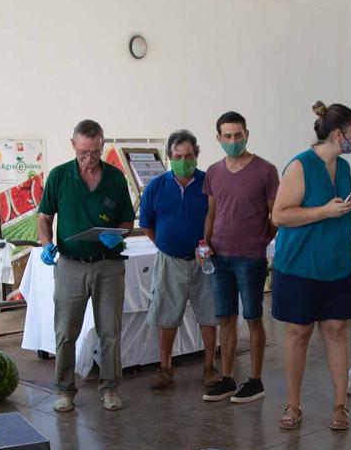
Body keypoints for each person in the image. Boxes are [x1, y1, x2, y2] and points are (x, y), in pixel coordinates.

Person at [273, 101, 351, 431]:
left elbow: (344, 218)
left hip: (336, 265)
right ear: (338, 133)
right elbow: (280, 215)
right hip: (299, 265)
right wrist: (323, 211)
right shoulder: (300, 166)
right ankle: (293, 405)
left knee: (337, 332)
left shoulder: (345, 168)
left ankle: (341, 405)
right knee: (298, 334)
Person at [35, 119, 133, 414]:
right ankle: (65, 390)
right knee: (66, 331)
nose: (89, 159)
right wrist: (46, 244)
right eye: (82, 153)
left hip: (108, 266)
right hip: (70, 265)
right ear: (73, 146)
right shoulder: (59, 176)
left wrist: (118, 235)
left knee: (110, 331)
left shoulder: (115, 179)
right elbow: (43, 216)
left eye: (94, 152)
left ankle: (110, 387)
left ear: (102, 145)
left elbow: (126, 220)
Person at [200, 111, 278, 404]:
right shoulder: (214, 172)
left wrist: (262, 240)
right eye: (227, 136)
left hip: (251, 257)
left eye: (238, 135)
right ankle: (227, 377)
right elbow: (212, 211)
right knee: (226, 318)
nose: (233, 141)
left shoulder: (265, 170)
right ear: (219, 139)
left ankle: (255, 380)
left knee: (254, 317)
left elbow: (276, 214)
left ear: (247, 134)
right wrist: (205, 244)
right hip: (219, 256)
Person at [137, 129, 219, 395]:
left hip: (203, 261)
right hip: (169, 261)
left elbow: (216, 217)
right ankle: (165, 367)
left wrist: (206, 245)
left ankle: (209, 366)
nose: (184, 160)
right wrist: (165, 244)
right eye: (178, 156)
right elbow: (147, 223)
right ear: (169, 157)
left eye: (189, 156)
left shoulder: (209, 183)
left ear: (197, 155)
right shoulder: (156, 187)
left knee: (208, 313)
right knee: (166, 314)